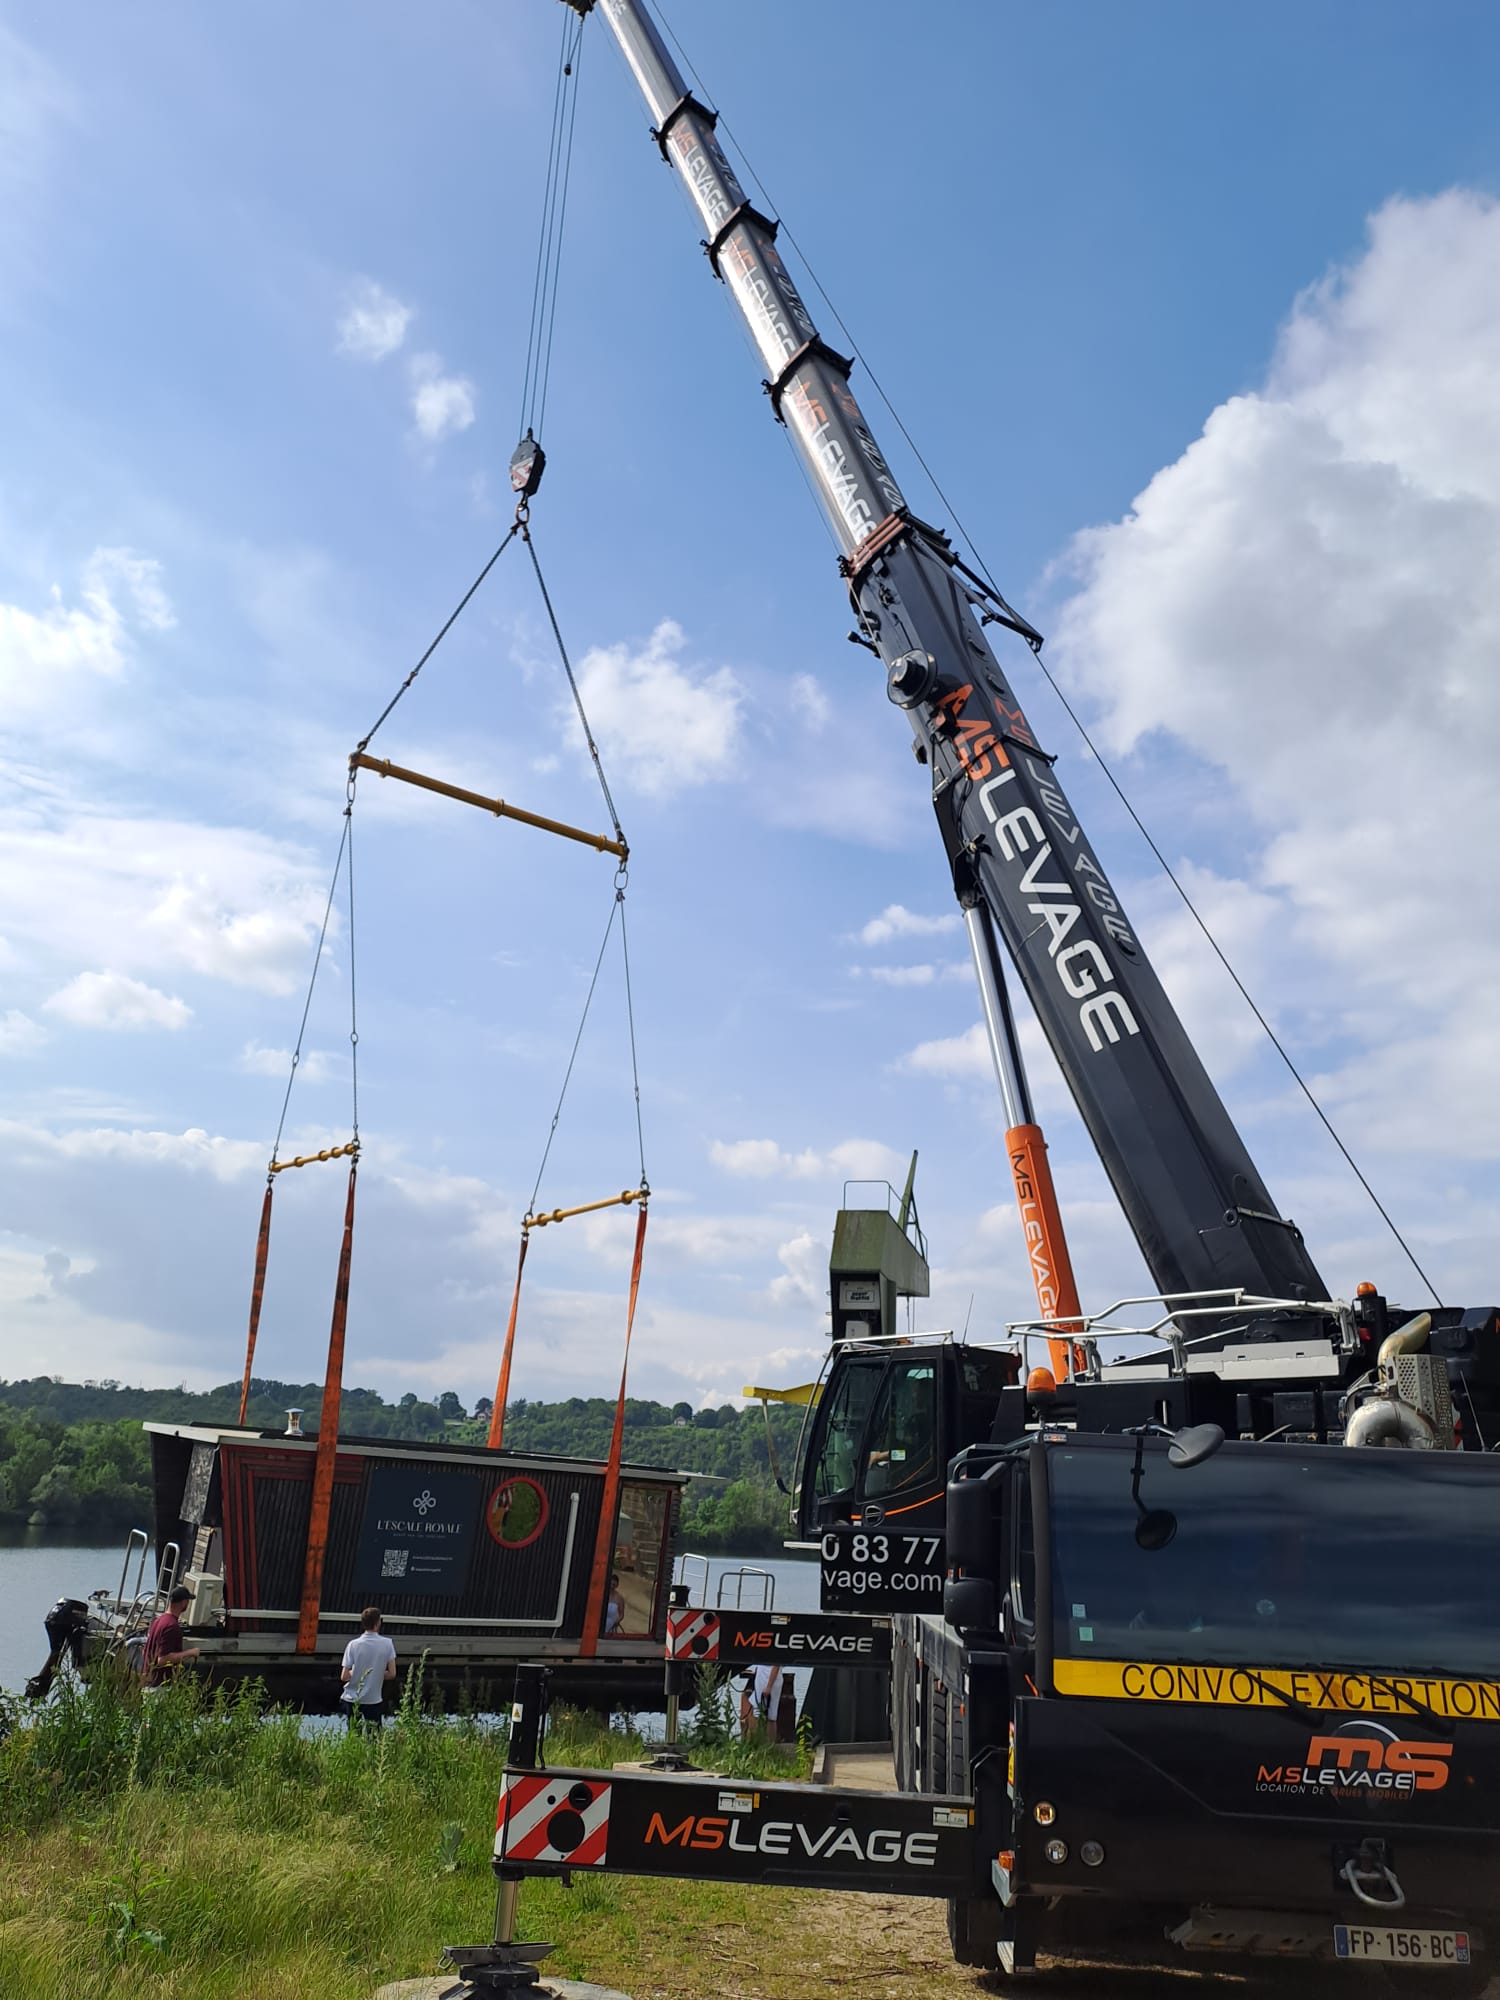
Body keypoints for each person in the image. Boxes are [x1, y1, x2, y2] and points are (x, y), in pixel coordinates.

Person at [340, 1605, 397, 1728]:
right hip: (373, 1699)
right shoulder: (387, 1644)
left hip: (352, 1699)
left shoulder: (353, 1645)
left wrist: (357, 1673)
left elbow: (344, 1676)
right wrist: (376, 1673)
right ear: (378, 1623)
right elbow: (392, 1674)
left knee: (354, 1737)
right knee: (374, 1738)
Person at [142, 1584, 201, 1691]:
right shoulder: (172, 1626)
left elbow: (145, 1650)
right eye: (187, 1601)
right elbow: (162, 1659)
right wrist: (191, 1652)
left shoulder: (159, 1620)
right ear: (184, 1602)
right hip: (160, 1686)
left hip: (149, 1681)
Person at [739, 1662, 783, 1740]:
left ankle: (757, 1741)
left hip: (767, 1680)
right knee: (761, 1710)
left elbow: (776, 1664)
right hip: (763, 1679)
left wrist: (769, 1686)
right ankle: (762, 1742)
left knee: (765, 1714)